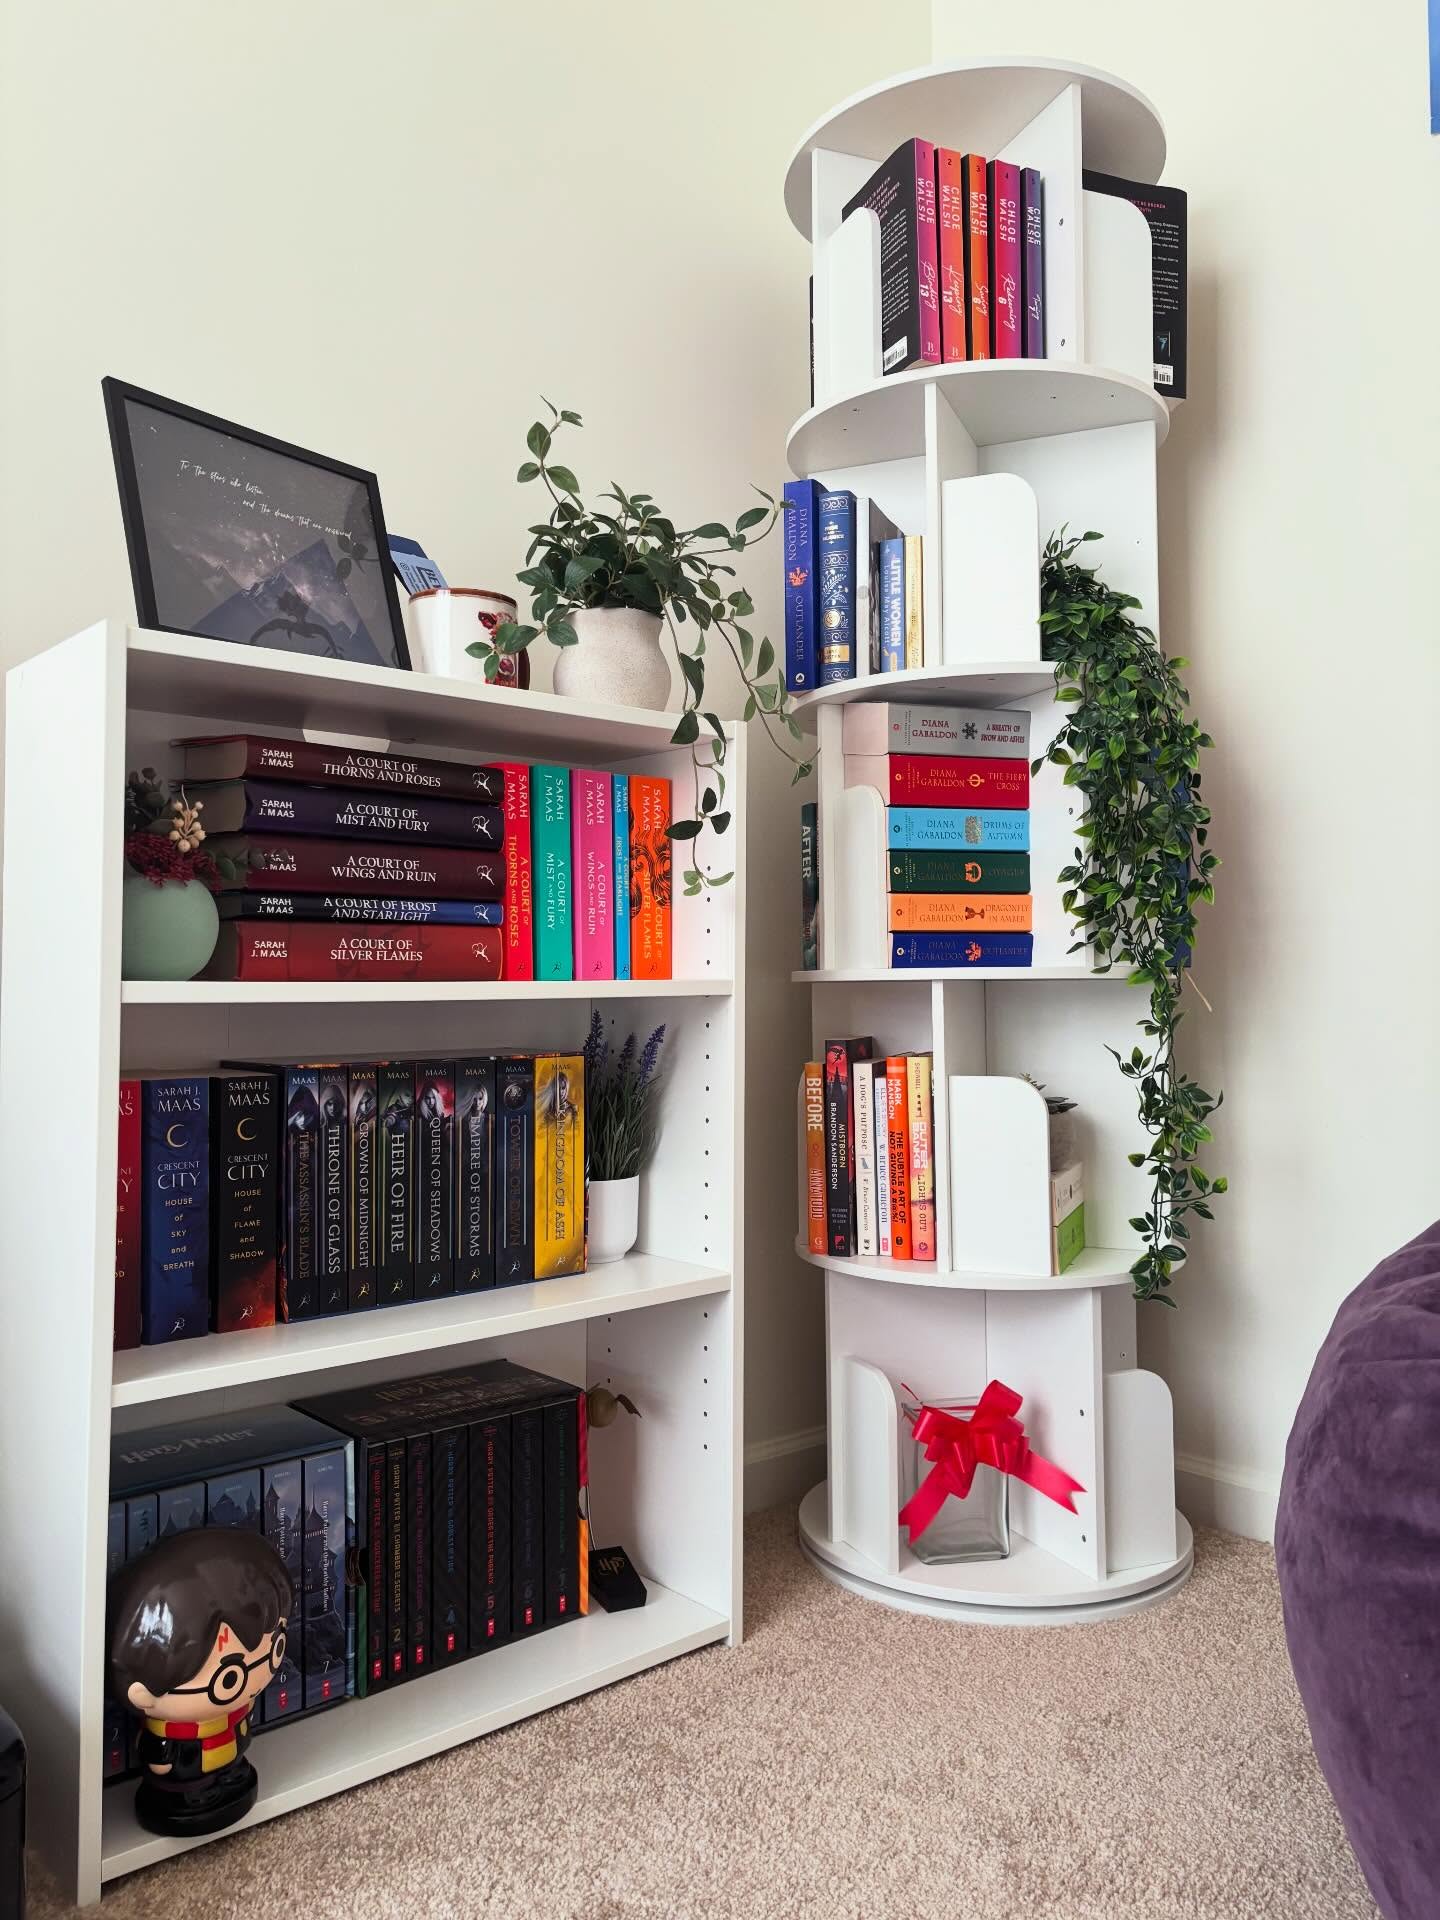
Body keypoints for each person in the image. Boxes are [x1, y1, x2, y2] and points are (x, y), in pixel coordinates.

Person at [108, 1525, 291, 1837]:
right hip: (189, 1781)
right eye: (229, 1678)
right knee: (190, 1787)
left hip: (230, 1759)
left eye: (275, 1650)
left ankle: (230, 1775)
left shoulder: (239, 1707)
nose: (258, 1675)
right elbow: (157, 1755)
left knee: (233, 1771)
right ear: (142, 1694)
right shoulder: (169, 1727)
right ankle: (193, 1792)